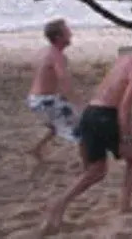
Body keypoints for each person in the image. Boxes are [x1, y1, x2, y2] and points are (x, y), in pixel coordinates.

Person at [40, 27, 132, 235]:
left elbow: (114, 90)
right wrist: (126, 138)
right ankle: (125, 205)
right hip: (107, 115)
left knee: (96, 170)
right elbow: (124, 108)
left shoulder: (125, 59)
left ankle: (60, 202)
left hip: (90, 113)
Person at [26, 19, 82, 162]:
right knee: (81, 126)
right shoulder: (57, 56)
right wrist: (77, 104)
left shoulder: (46, 51)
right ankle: (89, 164)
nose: (71, 34)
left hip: (35, 99)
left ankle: (36, 149)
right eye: (67, 32)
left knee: (56, 125)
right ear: (59, 37)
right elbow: (64, 81)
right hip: (45, 101)